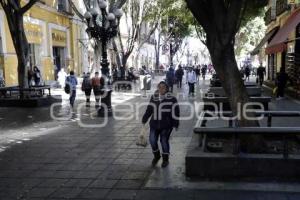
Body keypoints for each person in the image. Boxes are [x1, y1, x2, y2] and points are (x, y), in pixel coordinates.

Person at [142, 81, 180, 168]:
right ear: (157, 88)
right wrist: (145, 118)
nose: (161, 89)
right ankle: (156, 156)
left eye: (163, 87)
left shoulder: (172, 99)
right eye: (159, 87)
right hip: (154, 124)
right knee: (152, 140)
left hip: (166, 125)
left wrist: (175, 123)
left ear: (167, 89)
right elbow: (149, 109)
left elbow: (176, 112)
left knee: (163, 141)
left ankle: (165, 159)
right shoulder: (154, 97)